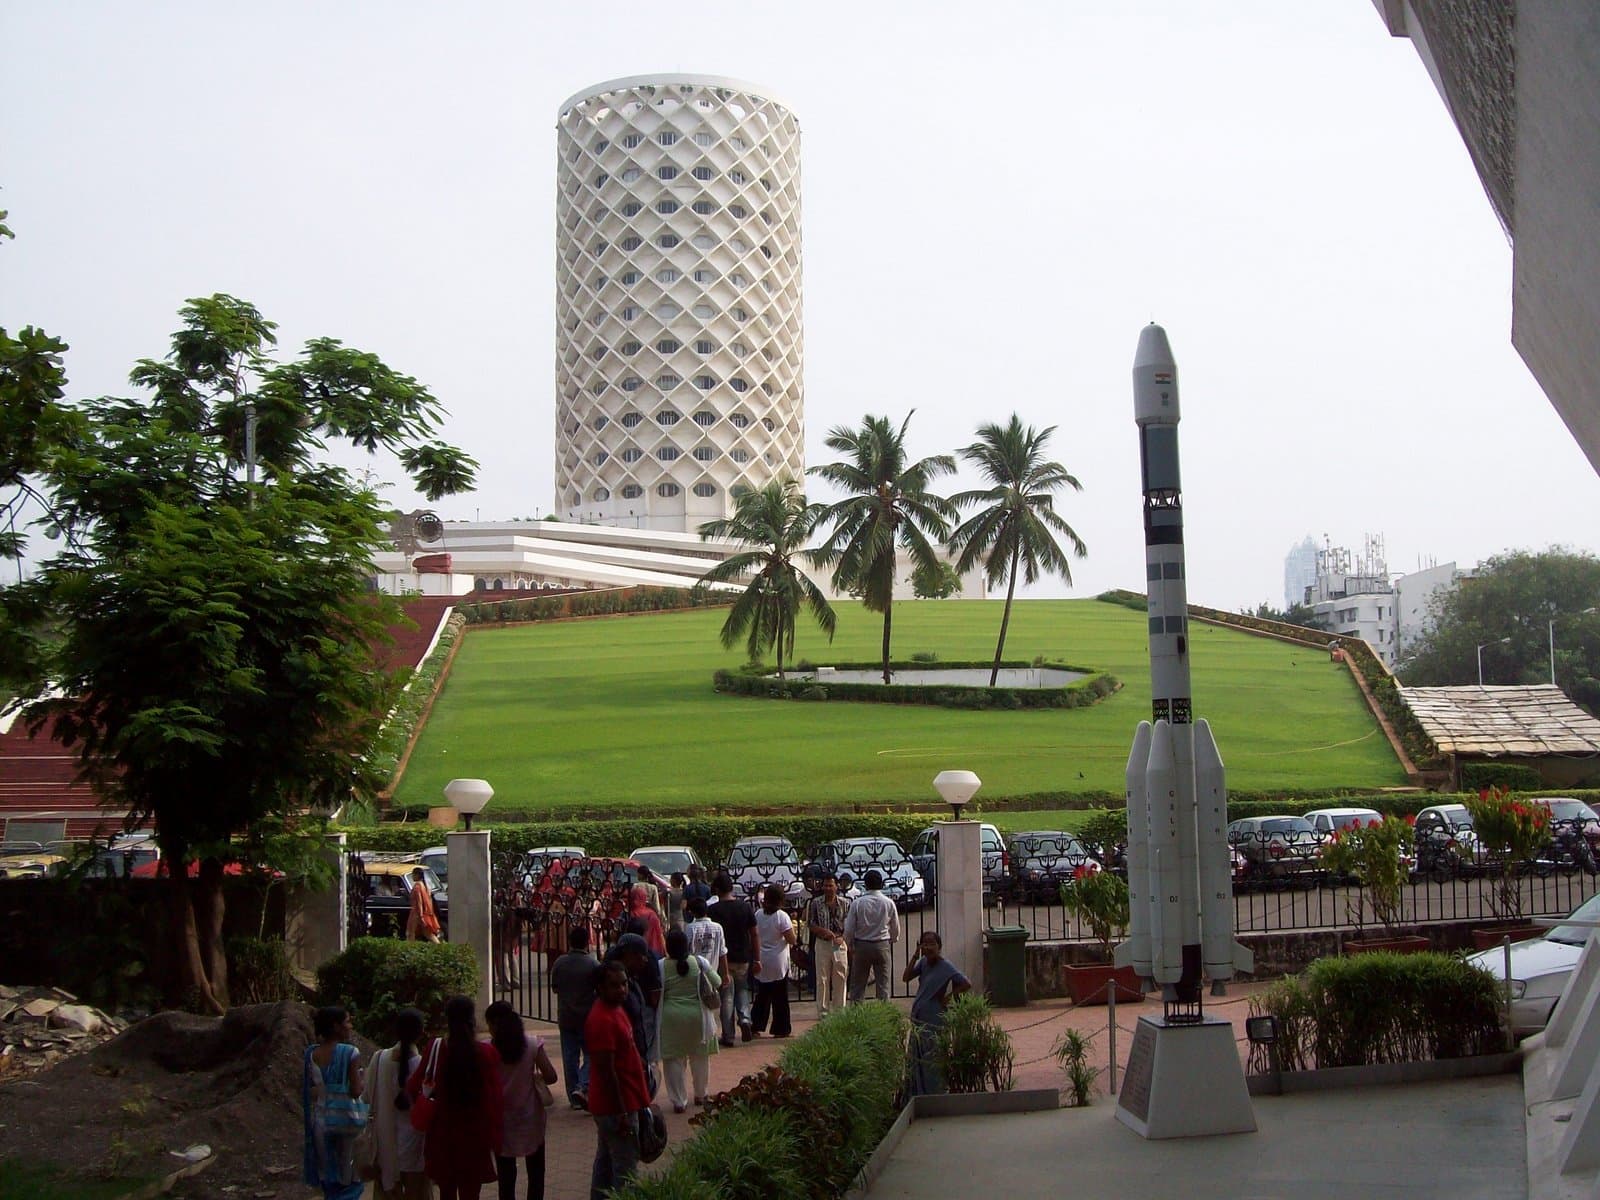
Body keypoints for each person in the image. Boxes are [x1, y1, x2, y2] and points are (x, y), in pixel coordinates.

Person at [406, 996, 503, 1200]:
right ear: (472, 1019)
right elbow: (495, 1097)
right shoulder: (486, 1052)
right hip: (475, 1133)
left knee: (446, 1191)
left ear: (448, 1019)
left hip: (442, 1133)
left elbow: (413, 1085)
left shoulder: (436, 1048)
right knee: (471, 1192)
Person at [586, 961, 654, 1199]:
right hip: (616, 1106)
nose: (622, 990)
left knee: (606, 1164)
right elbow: (606, 1072)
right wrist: (621, 1112)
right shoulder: (602, 1019)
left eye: (624, 984)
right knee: (626, 1173)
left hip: (621, 1103)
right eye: (614, 985)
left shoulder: (615, 1009)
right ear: (600, 988)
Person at [485, 1001, 558, 1200]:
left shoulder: (487, 1049)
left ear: (493, 1024)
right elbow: (551, 1076)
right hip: (530, 1116)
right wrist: (536, 1078)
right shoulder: (532, 1044)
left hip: (500, 1118)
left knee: (506, 1174)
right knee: (536, 1171)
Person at [361, 1007, 431, 1200]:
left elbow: (366, 1097)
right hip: (414, 1144)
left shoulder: (378, 1059)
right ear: (421, 1032)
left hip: (385, 1145)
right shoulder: (422, 1065)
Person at [303, 1005, 366, 1200]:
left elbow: (312, 1090)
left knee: (328, 1172)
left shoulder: (311, 1054)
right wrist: (362, 1080)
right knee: (348, 1175)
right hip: (346, 1121)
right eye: (347, 1021)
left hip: (321, 1121)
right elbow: (356, 1091)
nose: (350, 1026)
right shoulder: (350, 1052)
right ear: (336, 1026)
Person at [659, 927, 720, 1112]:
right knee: (700, 1058)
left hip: (670, 1019)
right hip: (698, 1017)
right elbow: (717, 982)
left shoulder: (660, 966)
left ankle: (679, 1101)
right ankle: (701, 1094)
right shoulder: (700, 962)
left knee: (673, 1060)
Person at [903, 930, 971, 1096]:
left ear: (939, 946)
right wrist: (915, 955)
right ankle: (918, 1093)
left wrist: (949, 997)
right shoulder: (923, 963)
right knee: (917, 1055)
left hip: (934, 1017)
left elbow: (965, 983)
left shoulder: (946, 966)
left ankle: (934, 1093)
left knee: (932, 1056)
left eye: (932, 944)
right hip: (919, 1016)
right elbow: (906, 977)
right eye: (925, 944)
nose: (928, 947)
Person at [604, 932, 662, 1092]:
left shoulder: (632, 982)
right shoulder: (614, 997)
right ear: (629, 955)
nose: (645, 960)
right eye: (641, 955)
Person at [548, 925, 598, 1109]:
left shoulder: (560, 963)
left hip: (566, 1015)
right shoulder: (592, 964)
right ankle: (583, 1086)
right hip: (587, 1016)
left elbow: (555, 988)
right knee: (591, 1055)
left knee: (570, 1057)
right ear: (587, 942)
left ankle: (574, 1095)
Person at [707, 872, 759, 1044]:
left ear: (717, 889)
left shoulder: (713, 910)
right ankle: (745, 1019)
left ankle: (728, 1035)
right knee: (742, 990)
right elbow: (754, 934)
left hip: (724, 958)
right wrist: (757, 958)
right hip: (743, 956)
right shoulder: (745, 907)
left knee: (727, 996)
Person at [843, 869, 900, 1004]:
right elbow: (895, 926)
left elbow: (849, 928)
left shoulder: (858, 903)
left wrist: (848, 944)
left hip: (862, 945)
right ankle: (883, 1011)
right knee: (883, 985)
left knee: (858, 985)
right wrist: (893, 939)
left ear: (866, 885)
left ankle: (856, 1012)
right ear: (881, 884)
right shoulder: (888, 902)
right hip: (882, 944)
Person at [750, 883, 795, 1039]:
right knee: (780, 997)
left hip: (762, 958)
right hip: (778, 960)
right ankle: (781, 1029)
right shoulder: (782, 916)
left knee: (762, 995)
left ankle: (755, 1025)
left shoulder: (758, 914)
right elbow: (791, 939)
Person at [806, 874, 851, 1019]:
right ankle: (823, 1011)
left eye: (830, 885)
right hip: (822, 942)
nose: (828, 888)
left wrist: (843, 937)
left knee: (840, 976)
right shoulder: (815, 903)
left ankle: (839, 1011)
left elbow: (850, 924)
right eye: (825, 885)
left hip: (839, 943)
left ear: (836, 886)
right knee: (822, 978)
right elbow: (810, 923)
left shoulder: (845, 903)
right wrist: (822, 931)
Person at [626, 883, 667, 958]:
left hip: (632, 952)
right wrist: (665, 951)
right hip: (653, 951)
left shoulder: (628, 913)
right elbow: (659, 934)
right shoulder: (652, 914)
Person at [408, 868, 442, 943]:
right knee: (428, 933)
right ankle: (439, 946)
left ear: (417, 875)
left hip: (417, 913)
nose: (412, 876)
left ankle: (410, 948)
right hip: (426, 913)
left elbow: (419, 902)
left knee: (410, 932)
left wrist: (420, 916)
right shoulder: (425, 886)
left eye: (413, 874)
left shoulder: (417, 886)